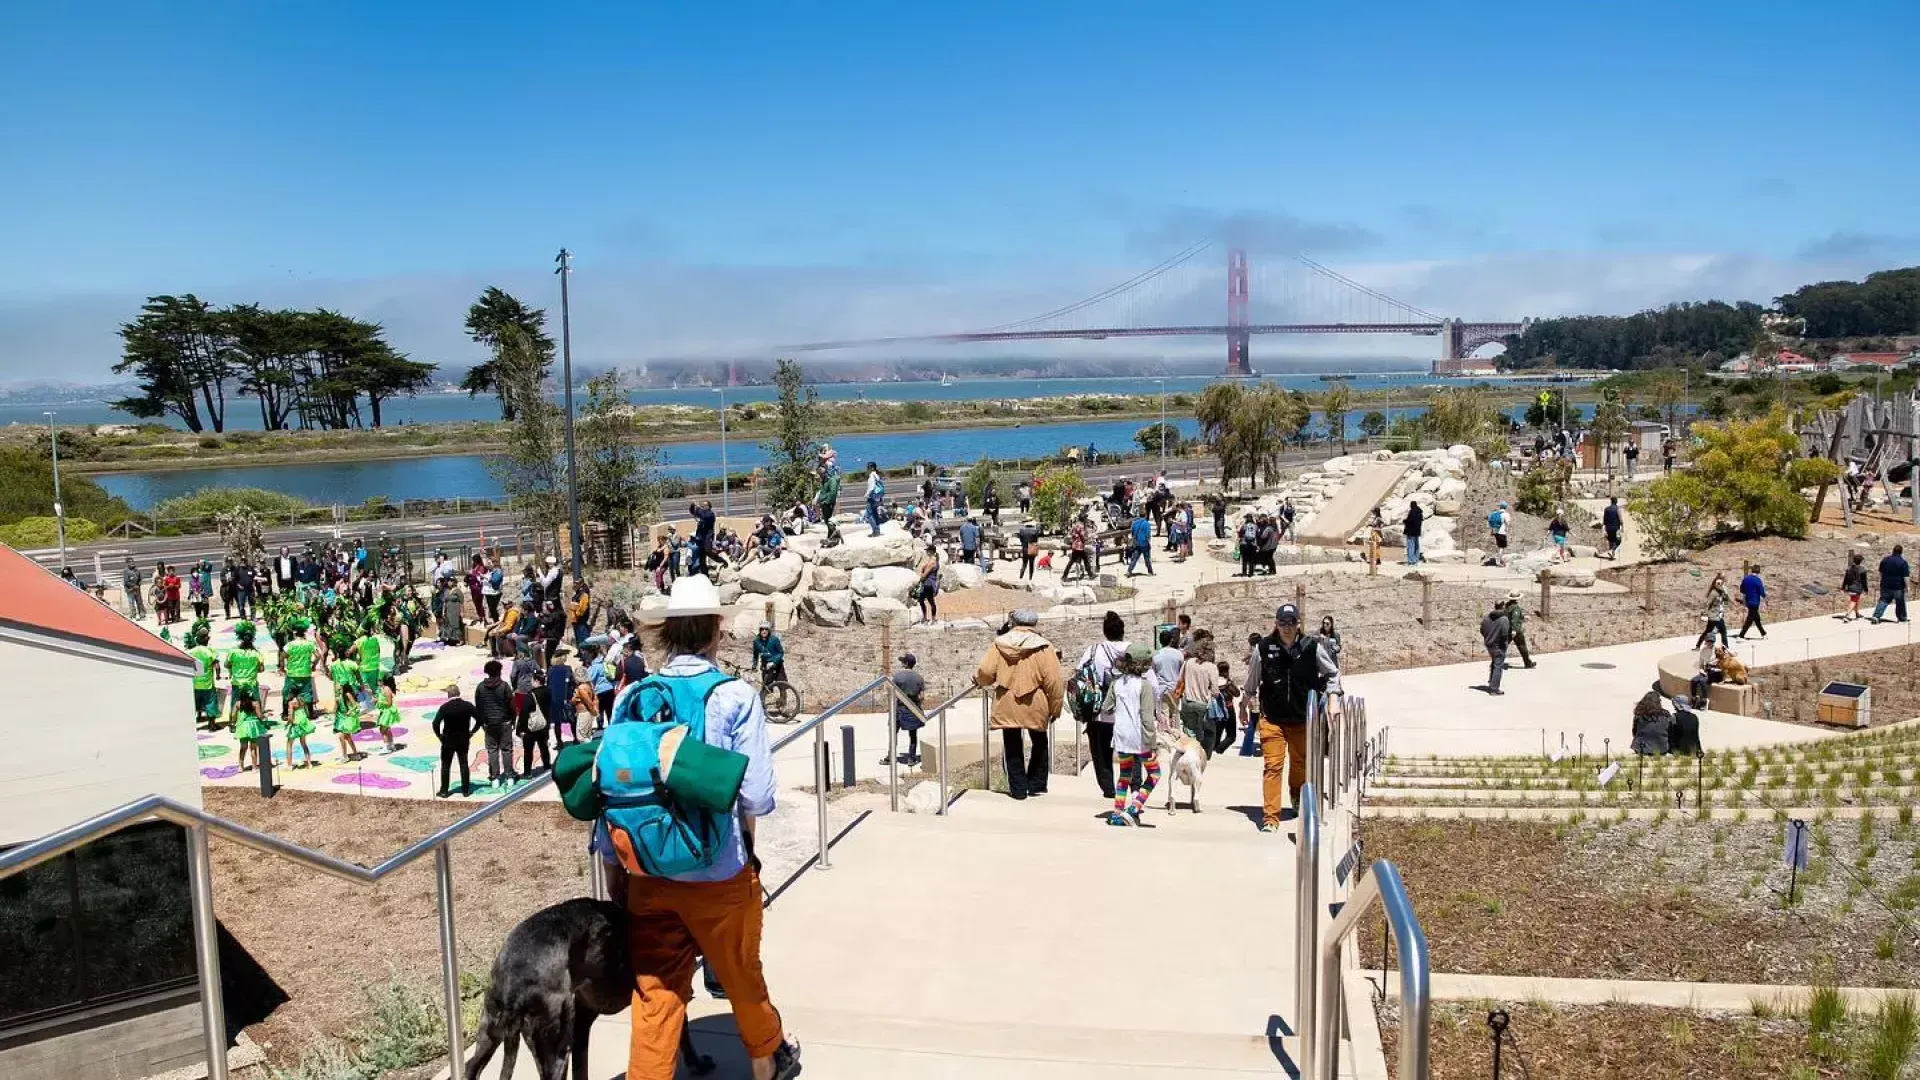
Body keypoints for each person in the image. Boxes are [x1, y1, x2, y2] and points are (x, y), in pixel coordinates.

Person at [603, 575, 798, 1080]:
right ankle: (764, 1067)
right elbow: (757, 794)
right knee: (741, 978)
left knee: (656, 994)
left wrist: (615, 871)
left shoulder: (632, 697)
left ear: (664, 632)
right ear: (715, 630)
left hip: (646, 872)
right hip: (719, 872)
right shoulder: (734, 696)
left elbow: (613, 786)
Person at [1249, 604, 1338, 830]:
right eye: (1282, 623)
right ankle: (1270, 817)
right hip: (1272, 718)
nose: (1287, 628)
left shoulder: (1312, 647)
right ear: (1276, 624)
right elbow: (1253, 678)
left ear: (1298, 623)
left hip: (1301, 719)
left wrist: (1333, 697)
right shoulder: (1264, 647)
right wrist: (1246, 700)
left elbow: (1332, 673)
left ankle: (1296, 794)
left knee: (1299, 763)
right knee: (1273, 766)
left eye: (1291, 623)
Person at [973, 609, 1066, 801]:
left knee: (1012, 743)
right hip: (1036, 700)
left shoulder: (999, 644)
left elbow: (987, 671)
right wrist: (1055, 708)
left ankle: (1018, 789)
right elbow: (1054, 681)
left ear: (1013, 623)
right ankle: (1036, 783)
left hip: (1007, 699)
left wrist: (979, 680)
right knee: (1040, 741)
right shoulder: (1045, 647)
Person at [1071, 611, 1129, 799]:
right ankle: (1130, 785)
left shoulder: (1094, 650)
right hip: (1127, 711)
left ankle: (1108, 789)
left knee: (1101, 752)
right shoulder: (1132, 650)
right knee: (1129, 751)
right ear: (1122, 631)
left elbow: (1079, 673)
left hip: (1100, 711)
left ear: (1105, 632)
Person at [1105, 643, 1162, 826]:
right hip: (1140, 738)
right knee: (1154, 774)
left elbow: (1106, 708)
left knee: (1124, 775)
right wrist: (1152, 744)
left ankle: (1117, 813)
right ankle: (1134, 808)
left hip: (1121, 736)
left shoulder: (1116, 683)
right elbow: (1147, 717)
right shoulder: (1144, 686)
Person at [432, 684, 479, 797]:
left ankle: (444, 790)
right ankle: (466, 790)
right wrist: (472, 732)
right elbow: (480, 719)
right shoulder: (467, 706)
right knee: (463, 764)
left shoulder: (445, 707)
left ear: (449, 694)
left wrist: (439, 736)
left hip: (448, 740)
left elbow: (435, 723)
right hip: (463, 739)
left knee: (446, 765)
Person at [474, 658, 516, 784]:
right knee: (506, 749)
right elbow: (511, 705)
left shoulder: (481, 687)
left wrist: (482, 722)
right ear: (499, 671)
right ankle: (509, 776)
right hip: (504, 722)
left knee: (492, 750)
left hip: (488, 723)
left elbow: (478, 706)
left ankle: (495, 777)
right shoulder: (504, 686)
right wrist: (513, 719)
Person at [1178, 635, 1219, 753]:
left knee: (1189, 728)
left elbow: (1180, 679)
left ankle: (1190, 751)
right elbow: (1215, 691)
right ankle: (1204, 755)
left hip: (1188, 701)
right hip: (1203, 704)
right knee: (1209, 731)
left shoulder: (1188, 662)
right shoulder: (1211, 667)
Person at [884, 652, 926, 766]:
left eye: (903, 661)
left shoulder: (897, 677)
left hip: (899, 708)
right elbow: (921, 697)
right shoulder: (919, 678)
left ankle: (890, 757)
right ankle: (911, 758)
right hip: (913, 709)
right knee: (913, 735)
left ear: (906, 663)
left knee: (893, 733)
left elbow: (890, 692)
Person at [544, 646, 580, 747]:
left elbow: (548, 684)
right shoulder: (567, 669)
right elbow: (572, 683)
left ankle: (559, 742)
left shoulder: (550, 670)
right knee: (572, 719)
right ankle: (575, 738)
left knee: (557, 722)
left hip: (554, 698)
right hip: (566, 698)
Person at [1873, 544, 1911, 624]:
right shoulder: (1903, 563)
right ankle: (1902, 618)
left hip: (1885, 585)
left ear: (1893, 551)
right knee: (1900, 602)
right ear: (1901, 552)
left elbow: (1881, 572)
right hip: (1898, 586)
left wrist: (1882, 580)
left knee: (1884, 600)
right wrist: (1907, 587)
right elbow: (1905, 577)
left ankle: (1876, 616)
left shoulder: (1885, 560)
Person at [1480, 600, 1511, 696]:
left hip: (1489, 644)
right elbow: (1505, 633)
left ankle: (1491, 681)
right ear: (1503, 606)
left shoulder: (1486, 618)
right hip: (1499, 645)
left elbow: (1482, 630)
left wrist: (1488, 637)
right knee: (1498, 666)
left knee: (1494, 662)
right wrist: (1504, 642)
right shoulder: (1504, 619)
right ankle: (1494, 688)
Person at [1697, 573, 1731, 648]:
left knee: (1708, 631)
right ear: (1715, 583)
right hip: (1714, 616)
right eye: (1718, 583)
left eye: (1721, 583)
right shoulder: (1713, 593)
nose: (1720, 585)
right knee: (1723, 632)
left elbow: (1727, 601)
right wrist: (1704, 613)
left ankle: (1698, 645)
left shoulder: (1721, 592)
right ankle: (1725, 648)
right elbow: (1707, 603)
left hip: (1718, 615)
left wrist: (1725, 593)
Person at [1504, 591, 1536, 669]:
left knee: (1503, 647)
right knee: (1522, 646)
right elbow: (1514, 619)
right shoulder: (1516, 607)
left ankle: (1496, 663)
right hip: (1515, 630)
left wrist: (1522, 617)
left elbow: (1510, 617)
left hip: (1506, 629)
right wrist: (1514, 630)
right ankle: (1528, 663)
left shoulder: (1507, 606)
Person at [373, 673, 402, 755]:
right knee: (386, 729)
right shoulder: (382, 688)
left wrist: (378, 701)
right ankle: (391, 745)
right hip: (384, 711)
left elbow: (389, 703)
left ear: (383, 681)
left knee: (383, 729)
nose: (377, 682)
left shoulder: (386, 689)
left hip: (388, 711)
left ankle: (387, 747)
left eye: (379, 680)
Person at [1737, 564, 1768, 639]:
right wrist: (1766, 598)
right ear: (1758, 572)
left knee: (1756, 618)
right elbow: (1762, 592)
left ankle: (1763, 633)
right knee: (1750, 620)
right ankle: (1741, 635)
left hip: (1748, 601)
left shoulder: (1746, 579)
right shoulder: (1758, 580)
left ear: (1752, 570)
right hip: (1755, 602)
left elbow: (1741, 589)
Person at [913, 543, 940, 623]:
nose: (926, 552)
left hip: (928, 583)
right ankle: (932, 618)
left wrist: (918, 581)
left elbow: (925, 574)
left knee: (924, 601)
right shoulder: (935, 560)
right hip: (931, 583)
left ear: (931, 551)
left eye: (928, 551)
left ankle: (927, 618)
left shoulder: (932, 562)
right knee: (930, 601)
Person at [1843, 552, 1870, 621]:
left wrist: (1843, 587)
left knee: (1855, 600)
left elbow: (1845, 579)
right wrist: (1866, 589)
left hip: (1850, 588)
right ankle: (1847, 615)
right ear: (1861, 561)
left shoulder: (1849, 569)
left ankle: (1857, 614)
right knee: (1854, 601)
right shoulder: (1862, 570)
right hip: (1857, 589)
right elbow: (1864, 581)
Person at [1127, 509, 1154, 577]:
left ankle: (1129, 571)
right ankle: (1150, 572)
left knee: (1134, 558)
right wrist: (1149, 543)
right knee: (1147, 558)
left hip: (1137, 543)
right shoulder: (1146, 523)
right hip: (1144, 543)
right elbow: (1148, 535)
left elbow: (1132, 533)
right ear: (1145, 515)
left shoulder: (1134, 523)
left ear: (1139, 515)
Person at [864, 462, 886, 536]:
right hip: (877, 497)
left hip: (872, 497)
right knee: (875, 514)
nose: (867, 469)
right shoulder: (877, 475)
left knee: (869, 515)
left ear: (872, 468)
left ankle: (875, 531)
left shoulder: (871, 476)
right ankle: (877, 530)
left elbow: (871, 487)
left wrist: (866, 495)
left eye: (868, 468)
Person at [1488, 501, 1511, 567]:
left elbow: (1491, 524)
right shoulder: (1506, 514)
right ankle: (1499, 562)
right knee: (1502, 547)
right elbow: (1508, 523)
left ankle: (1500, 560)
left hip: (1496, 532)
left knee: (1499, 546)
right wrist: (1507, 529)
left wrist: (1492, 531)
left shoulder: (1495, 513)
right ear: (1506, 507)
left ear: (1500, 506)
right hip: (1502, 532)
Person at [1403, 501, 1424, 566]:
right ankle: (1416, 560)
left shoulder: (1412, 512)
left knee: (1410, 546)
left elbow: (1409, 521)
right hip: (1417, 532)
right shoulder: (1420, 513)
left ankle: (1410, 561)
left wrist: (1404, 521)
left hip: (1410, 532)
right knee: (1416, 546)